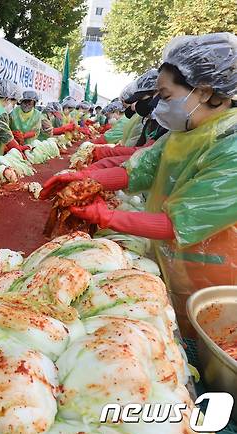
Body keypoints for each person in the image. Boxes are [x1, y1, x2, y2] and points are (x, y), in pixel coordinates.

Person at [42, 32, 237, 335]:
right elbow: (139, 169)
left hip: (214, 276)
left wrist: (106, 217)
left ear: (205, 92)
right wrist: (86, 181)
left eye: (167, 95)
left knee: (203, 343)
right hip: (171, 261)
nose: (160, 104)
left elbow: (180, 222)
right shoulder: (184, 133)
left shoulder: (231, 144)